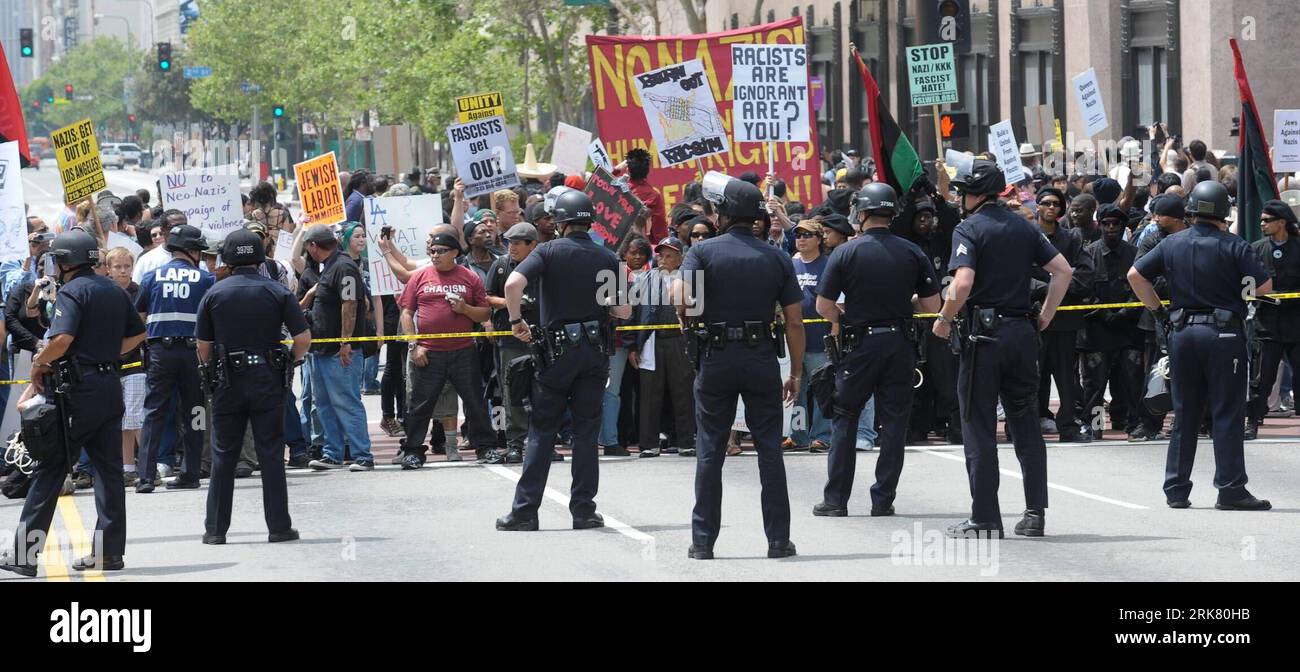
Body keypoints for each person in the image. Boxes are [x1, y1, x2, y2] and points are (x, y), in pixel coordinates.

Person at [933, 160, 1073, 539]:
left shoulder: (969, 228)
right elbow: (1063, 271)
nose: (960, 198)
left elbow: (962, 285)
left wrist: (944, 319)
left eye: (963, 192)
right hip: (1022, 334)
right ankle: (1034, 513)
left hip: (985, 338)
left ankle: (984, 517)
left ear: (975, 194)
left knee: (978, 426)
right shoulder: (1024, 226)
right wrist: (1045, 315)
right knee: (1025, 422)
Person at [0, 231, 146, 577]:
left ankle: (24, 553)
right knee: (109, 472)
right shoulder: (114, 288)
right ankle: (108, 553)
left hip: (77, 393)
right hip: (109, 386)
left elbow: (62, 339)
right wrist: (107, 355)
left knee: (50, 470)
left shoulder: (73, 291)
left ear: (64, 262)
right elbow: (138, 332)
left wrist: (38, 364)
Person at [675, 173, 805, 560]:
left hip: (716, 358)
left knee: (710, 450)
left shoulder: (701, 252)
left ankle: (703, 542)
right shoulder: (777, 257)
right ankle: (778, 540)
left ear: (723, 214)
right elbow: (795, 322)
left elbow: (683, 300)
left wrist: (686, 316)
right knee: (769, 450)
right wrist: (795, 374)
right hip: (761, 357)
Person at [1129, 180, 1272, 511]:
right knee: (1226, 412)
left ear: (1191, 209)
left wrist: (1159, 311)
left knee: (1185, 413)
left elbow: (1135, 276)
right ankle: (1231, 488)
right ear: (1224, 212)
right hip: (1223, 336)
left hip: (1182, 334)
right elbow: (1263, 286)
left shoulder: (1171, 244)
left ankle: (1176, 489)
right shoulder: (1235, 246)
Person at [495, 191, 629, 532]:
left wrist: (515, 321)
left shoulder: (548, 251)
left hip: (556, 355)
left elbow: (513, 283)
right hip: (594, 354)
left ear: (560, 222)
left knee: (542, 431)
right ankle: (584, 511)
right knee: (586, 433)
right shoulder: (607, 257)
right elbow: (625, 310)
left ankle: (525, 511)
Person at [814, 183, 941, 517]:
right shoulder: (912, 252)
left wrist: (846, 316)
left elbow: (823, 305)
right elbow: (932, 305)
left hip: (859, 345)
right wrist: (904, 305)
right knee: (895, 424)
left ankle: (835, 500)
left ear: (862, 212)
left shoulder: (846, 252)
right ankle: (883, 499)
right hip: (900, 344)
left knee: (845, 418)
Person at [196, 230, 311, 545]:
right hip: (268, 379)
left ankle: (215, 530)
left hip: (227, 382)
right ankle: (278, 527)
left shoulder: (214, 294)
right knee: (271, 455)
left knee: (223, 456)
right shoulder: (277, 292)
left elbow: (203, 346)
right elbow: (303, 340)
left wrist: (210, 373)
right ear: (260, 257)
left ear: (228, 259)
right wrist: (288, 361)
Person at [396, 232, 497, 468]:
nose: (435, 255)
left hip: (463, 352)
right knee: (420, 405)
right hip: (429, 353)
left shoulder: (469, 277)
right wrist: (414, 345)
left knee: (475, 403)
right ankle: (413, 451)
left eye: (440, 250)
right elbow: (407, 313)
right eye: (432, 250)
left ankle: (487, 447)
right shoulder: (420, 276)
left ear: (454, 253)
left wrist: (465, 309)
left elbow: (484, 313)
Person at [135, 225, 216, 493]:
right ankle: (191, 473)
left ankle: (145, 476)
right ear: (192, 251)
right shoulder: (206, 280)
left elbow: (139, 317)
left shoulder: (151, 277)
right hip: (193, 354)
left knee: (154, 412)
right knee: (195, 413)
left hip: (161, 353)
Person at [302, 225, 375, 471]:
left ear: (313, 246)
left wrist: (346, 341)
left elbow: (351, 304)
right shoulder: (332, 266)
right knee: (323, 404)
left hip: (339, 351)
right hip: (323, 350)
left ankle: (362, 454)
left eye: (308, 248)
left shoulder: (343, 267)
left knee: (347, 401)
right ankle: (332, 453)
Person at [1032, 186, 1095, 442]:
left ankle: (1067, 426)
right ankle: (1030, 426)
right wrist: (1049, 285)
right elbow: (1020, 276)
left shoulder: (1071, 239)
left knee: (1067, 380)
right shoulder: (1027, 236)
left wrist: (1058, 284)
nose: (1051, 208)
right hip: (1034, 319)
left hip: (1065, 322)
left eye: (1056, 204)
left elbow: (1085, 276)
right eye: (1046, 203)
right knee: (1032, 377)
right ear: (1037, 205)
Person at [1078, 205, 1145, 440]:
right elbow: (1083, 288)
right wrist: (1103, 313)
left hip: (1127, 329)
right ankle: (1094, 425)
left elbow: (1141, 287)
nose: (1111, 228)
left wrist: (1125, 312)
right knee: (1094, 384)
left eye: (1115, 223)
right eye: (1106, 223)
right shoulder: (1089, 253)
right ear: (1099, 225)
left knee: (1132, 379)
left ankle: (1132, 422)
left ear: (1123, 226)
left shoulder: (1135, 254)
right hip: (1096, 330)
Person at [631, 237, 696, 459]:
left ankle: (686, 441)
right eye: (660, 254)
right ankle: (648, 444)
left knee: (683, 392)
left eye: (669, 255)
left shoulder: (689, 279)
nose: (663, 259)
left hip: (680, 341)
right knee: (650, 393)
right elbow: (633, 314)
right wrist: (633, 346)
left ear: (680, 258)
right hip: (652, 341)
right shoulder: (644, 278)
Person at [484, 222, 542, 464]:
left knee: (544, 393)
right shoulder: (500, 265)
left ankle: (542, 443)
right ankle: (515, 445)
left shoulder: (544, 264)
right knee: (512, 394)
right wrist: (514, 303)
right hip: (510, 339)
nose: (512, 247)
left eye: (517, 243)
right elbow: (486, 297)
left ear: (533, 245)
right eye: (509, 242)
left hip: (540, 338)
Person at [1131, 194, 1187, 441]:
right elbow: (1141, 275)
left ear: (1175, 217)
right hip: (1156, 317)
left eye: (1159, 214)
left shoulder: (1191, 239)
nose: (1154, 219)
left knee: (1194, 371)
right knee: (1156, 372)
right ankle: (1149, 423)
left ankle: (1200, 420)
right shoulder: (1152, 240)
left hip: (1188, 315)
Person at [1246, 201, 1300, 439]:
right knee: (1261, 378)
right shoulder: (1256, 249)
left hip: (1297, 323)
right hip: (1266, 324)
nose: (1262, 224)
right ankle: (1253, 422)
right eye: (1261, 219)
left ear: (1282, 222)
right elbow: (1246, 285)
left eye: (1267, 220)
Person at [787, 219, 833, 453]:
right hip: (795, 341)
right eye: (798, 235)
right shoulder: (791, 264)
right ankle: (798, 436)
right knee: (796, 390)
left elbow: (837, 303)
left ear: (819, 239)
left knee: (822, 391)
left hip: (819, 340)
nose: (801, 239)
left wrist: (835, 335)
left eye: (807, 235)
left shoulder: (828, 265)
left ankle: (822, 436)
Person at [105, 248, 146, 488]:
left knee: (135, 416)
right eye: (117, 267)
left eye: (126, 266)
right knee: (123, 420)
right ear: (108, 269)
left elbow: (142, 328)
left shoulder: (138, 292)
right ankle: (128, 467)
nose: (123, 271)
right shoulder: (105, 291)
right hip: (111, 365)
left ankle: (147, 464)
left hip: (135, 362)